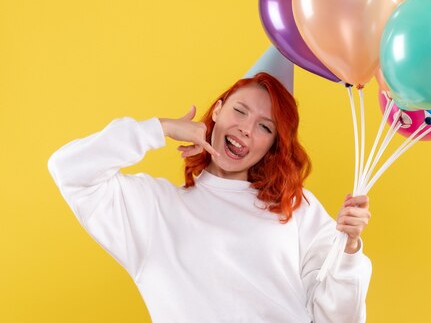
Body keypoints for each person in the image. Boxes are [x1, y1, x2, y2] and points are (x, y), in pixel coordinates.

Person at [47, 51, 373, 322]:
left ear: (273, 144)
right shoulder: (154, 210)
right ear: (217, 111)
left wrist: (349, 249)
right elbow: (69, 168)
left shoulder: (295, 206)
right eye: (239, 111)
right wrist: (160, 128)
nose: (246, 129)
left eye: (264, 126)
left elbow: (339, 318)